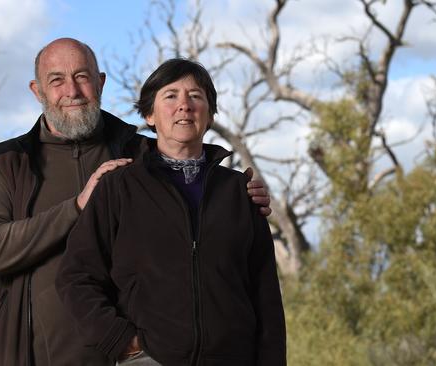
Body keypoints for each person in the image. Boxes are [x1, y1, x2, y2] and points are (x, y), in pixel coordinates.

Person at [0, 38, 272, 366]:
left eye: (83, 76)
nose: (71, 90)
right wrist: (76, 207)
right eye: (56, 80)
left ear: (100, 83)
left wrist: (238, 197)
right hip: (36, 355)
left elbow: (192, 173)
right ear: (37, 90)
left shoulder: (140, 151)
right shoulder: (8, 162)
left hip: (134, 356)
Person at [56, 58, 286, 366]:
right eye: (171, 96)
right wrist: (123, 342)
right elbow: (76, 277)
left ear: (210, 114)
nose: (184, 105)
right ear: (149, 115)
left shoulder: (240, 193)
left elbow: (266, 296)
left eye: (195, 96)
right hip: (148, 359)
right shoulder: (118, 188)